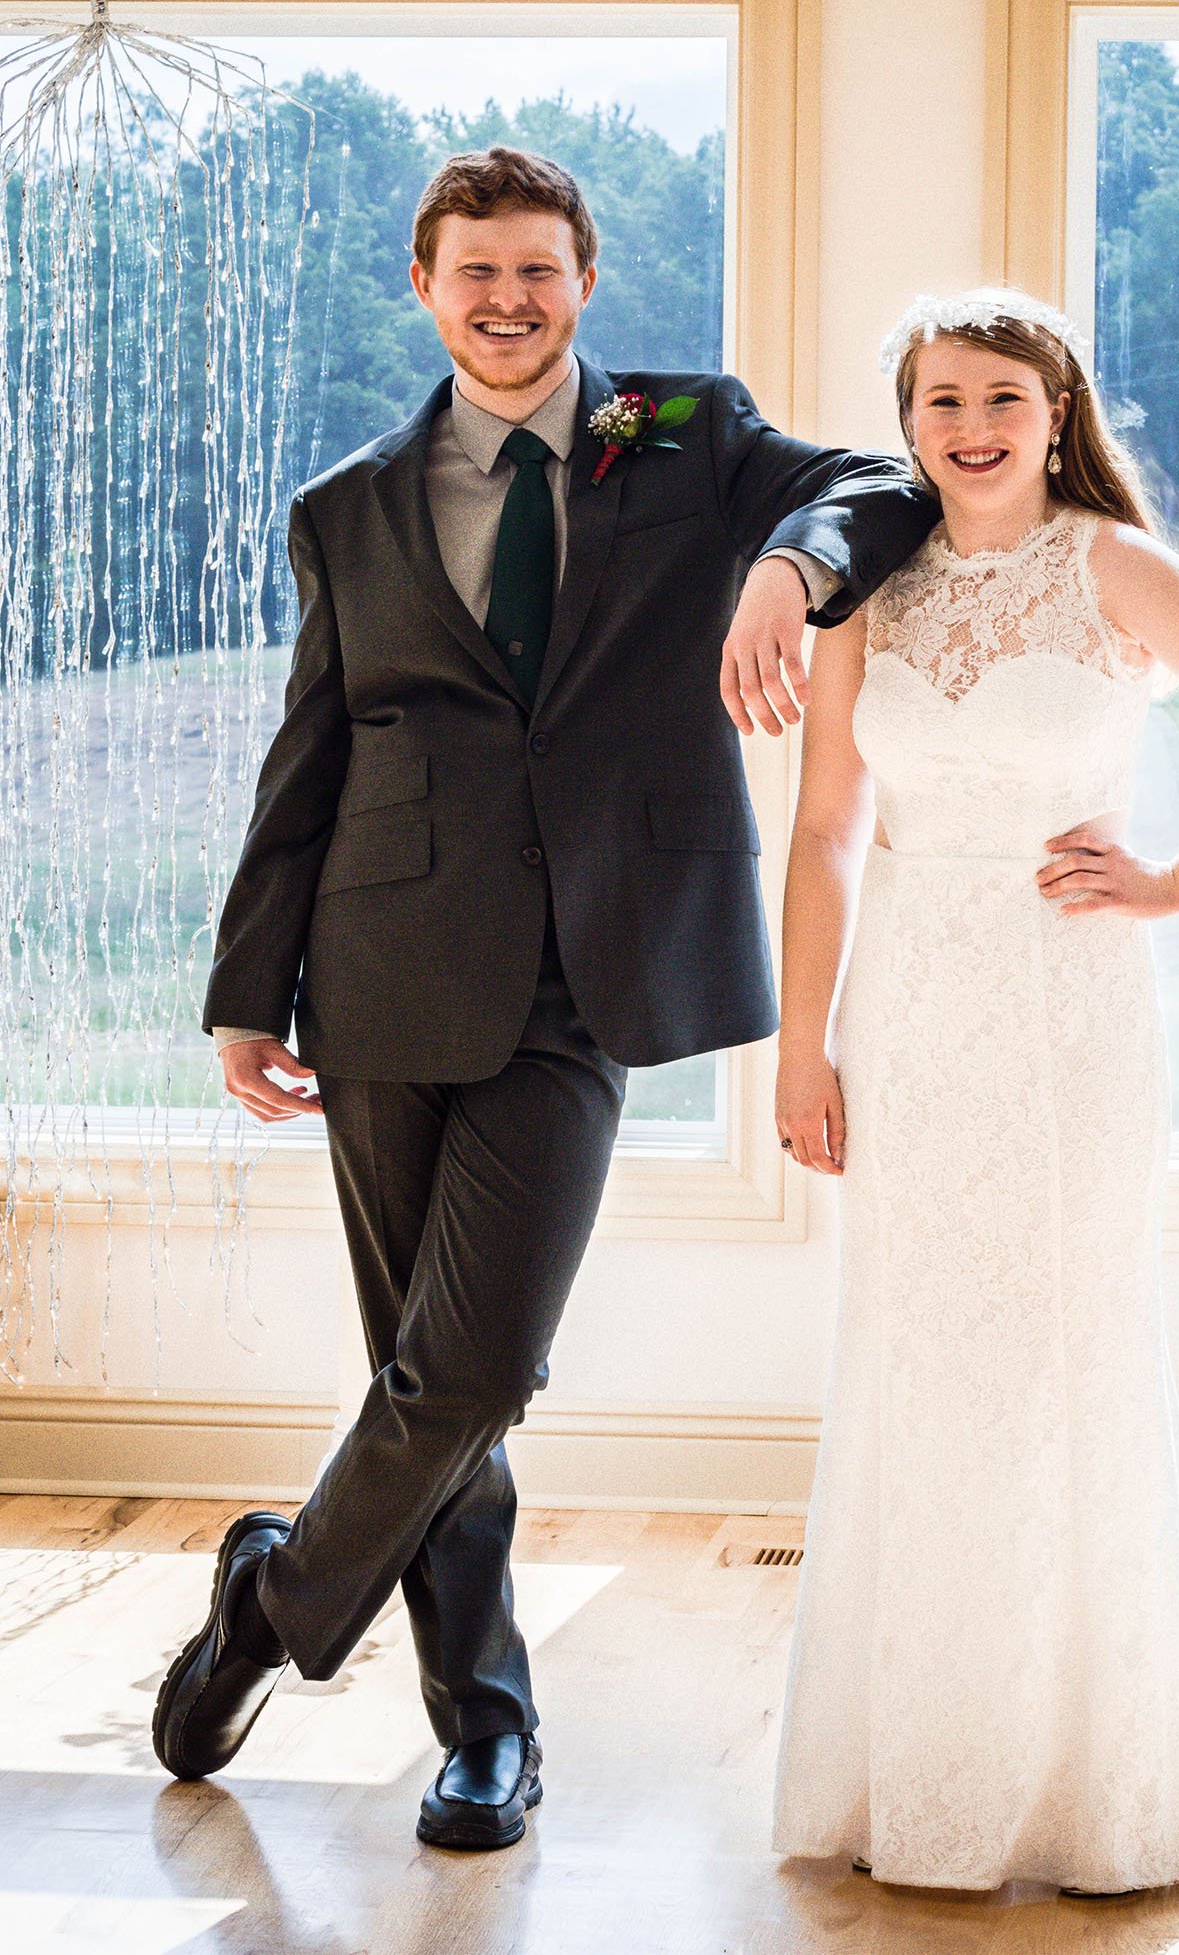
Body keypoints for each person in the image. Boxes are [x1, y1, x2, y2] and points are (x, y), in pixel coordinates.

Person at [151, 144, 937, 1848]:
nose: (508, 302)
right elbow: (310, 758)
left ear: (585, 283)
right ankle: (484, 1731)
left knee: (481, 1360)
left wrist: (784, 573)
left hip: (589, 967)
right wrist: (244, 992)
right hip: (376, 966)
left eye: (539, 273)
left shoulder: (687, 433)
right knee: (424, 1372)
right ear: (423, 289)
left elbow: (883, 481)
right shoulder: (345, 505)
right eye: (475, 273)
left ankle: (270, 1604)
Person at [754, 287, 1179, 1895]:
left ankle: (1101, 1791)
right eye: (942, 401)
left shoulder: (1111, 567)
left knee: (1065, 1351)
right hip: (909, 993)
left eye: (1001, 401)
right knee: (919, 1352)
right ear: (909, 423)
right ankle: (924, 1780)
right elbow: (824, 830)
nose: (971, 429)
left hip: (1069, 1000)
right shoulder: (865, 596)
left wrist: (1174, 884)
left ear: (1055, 413)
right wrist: (802, 1039)